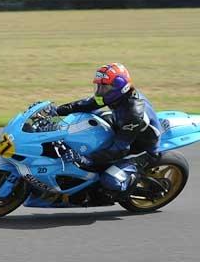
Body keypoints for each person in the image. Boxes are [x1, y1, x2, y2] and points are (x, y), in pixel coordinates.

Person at [56, 63, 161, 200]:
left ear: (119, 87)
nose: (100, 90)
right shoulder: (116, 96)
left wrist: (86, 159)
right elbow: (87, 105)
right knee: (89, 120)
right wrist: (56, 110)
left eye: (104, 87)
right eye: (98, 86)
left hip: (141, 149)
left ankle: (128, 186)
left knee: (110, 181)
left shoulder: (133, 113)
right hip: (123, 129)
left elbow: (120, 149)